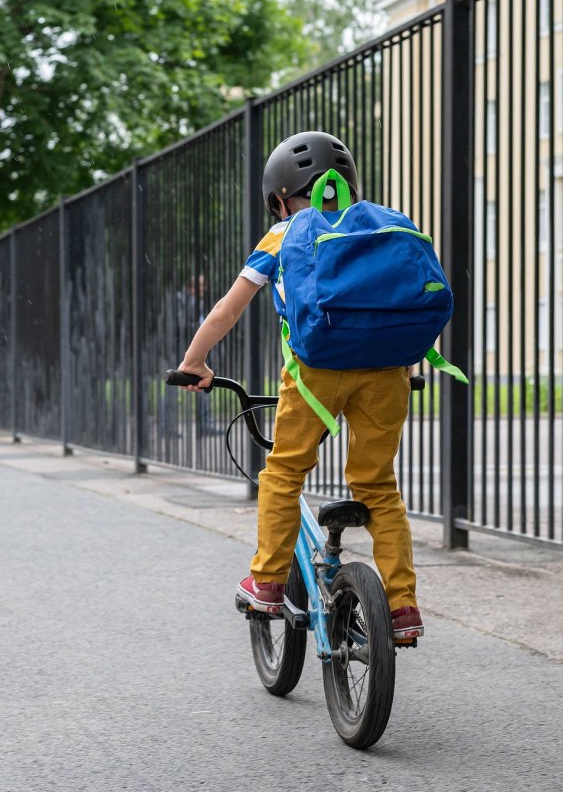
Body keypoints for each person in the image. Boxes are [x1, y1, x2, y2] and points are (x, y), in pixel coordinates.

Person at [176, 131, 424, 641]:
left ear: (278, 197)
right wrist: (406, 362)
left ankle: (266, 583)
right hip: (389, 373)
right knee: (378, 486)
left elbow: (227, 309)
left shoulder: (284, 233)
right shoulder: (388, 225)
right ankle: (402, 607)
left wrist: (195, 361)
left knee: (285, 471)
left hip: (317, 375)